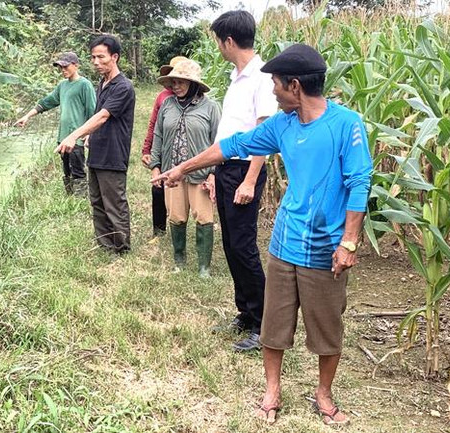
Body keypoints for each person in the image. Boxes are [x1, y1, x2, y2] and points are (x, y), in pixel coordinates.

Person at [151, 44, 372, 426]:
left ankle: (324, 394)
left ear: (295, 86)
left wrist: (349, 241)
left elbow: (358, 182)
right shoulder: (282, 124)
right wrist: (183, 168)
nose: (271, 90)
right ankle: (272, 391)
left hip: (325, 247)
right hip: (285, 243)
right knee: (274, 323)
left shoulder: (346, 124)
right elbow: (232, 146)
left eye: (275, 83)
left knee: (327, 327)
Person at [208, 11, 278, 353]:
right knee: (231, 245)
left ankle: (264, 323)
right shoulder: (236, 77)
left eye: (218, 41)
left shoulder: (262, 78)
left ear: (229, 41)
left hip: (244, 171)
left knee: (244, 246)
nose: (218, 47)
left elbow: (263, 134)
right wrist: (213, 172)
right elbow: (229, 130)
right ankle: (246, 313)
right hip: (226, 169)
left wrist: (249, 180)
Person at [56, 35, 135, 255]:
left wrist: (74, 136)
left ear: (115, 57)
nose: (96, 62)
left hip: (114, 153)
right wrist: (88, 137)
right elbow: (96, 117)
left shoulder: (123, 87)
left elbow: (102, 116)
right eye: (93, 57)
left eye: (101, 57)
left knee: (114, 203)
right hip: (97, 151)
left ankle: (121, 248)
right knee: (97, 201)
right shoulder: (102, 83)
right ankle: (105, 245)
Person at [149, 59, 221, 278]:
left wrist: (213, 173)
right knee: (177, 216)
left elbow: (219, 142)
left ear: (194, 84)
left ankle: (204, 267)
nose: (176, 86)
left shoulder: (210, 107)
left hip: (200, 174)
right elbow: (158, 136)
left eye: (181, 82)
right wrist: (155, 165)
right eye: (174, 82)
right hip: (173, 173)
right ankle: (179, 260)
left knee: (204, 217)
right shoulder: (168, 106)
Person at [15, 52, 96, 197]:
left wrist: (89, 133)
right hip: (63, 137)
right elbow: (47, 102)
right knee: (66, 170)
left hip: (77, 138)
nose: (63, 70)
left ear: (76, 65)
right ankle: (69, 197)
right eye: (61, 68)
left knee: (78, 170)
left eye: (66, 67)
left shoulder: (85, 85)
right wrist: (27, 116)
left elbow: (92, 110)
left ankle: (80, 200)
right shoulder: (62, 85)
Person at [141, 56, 188, 238]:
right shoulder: (163, 98)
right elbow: (154, 125)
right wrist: (147, 150)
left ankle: (179, 223)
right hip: (164, 149)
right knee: (158, 187)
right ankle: (159, 229)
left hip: (186, 153)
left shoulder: (199, 99)